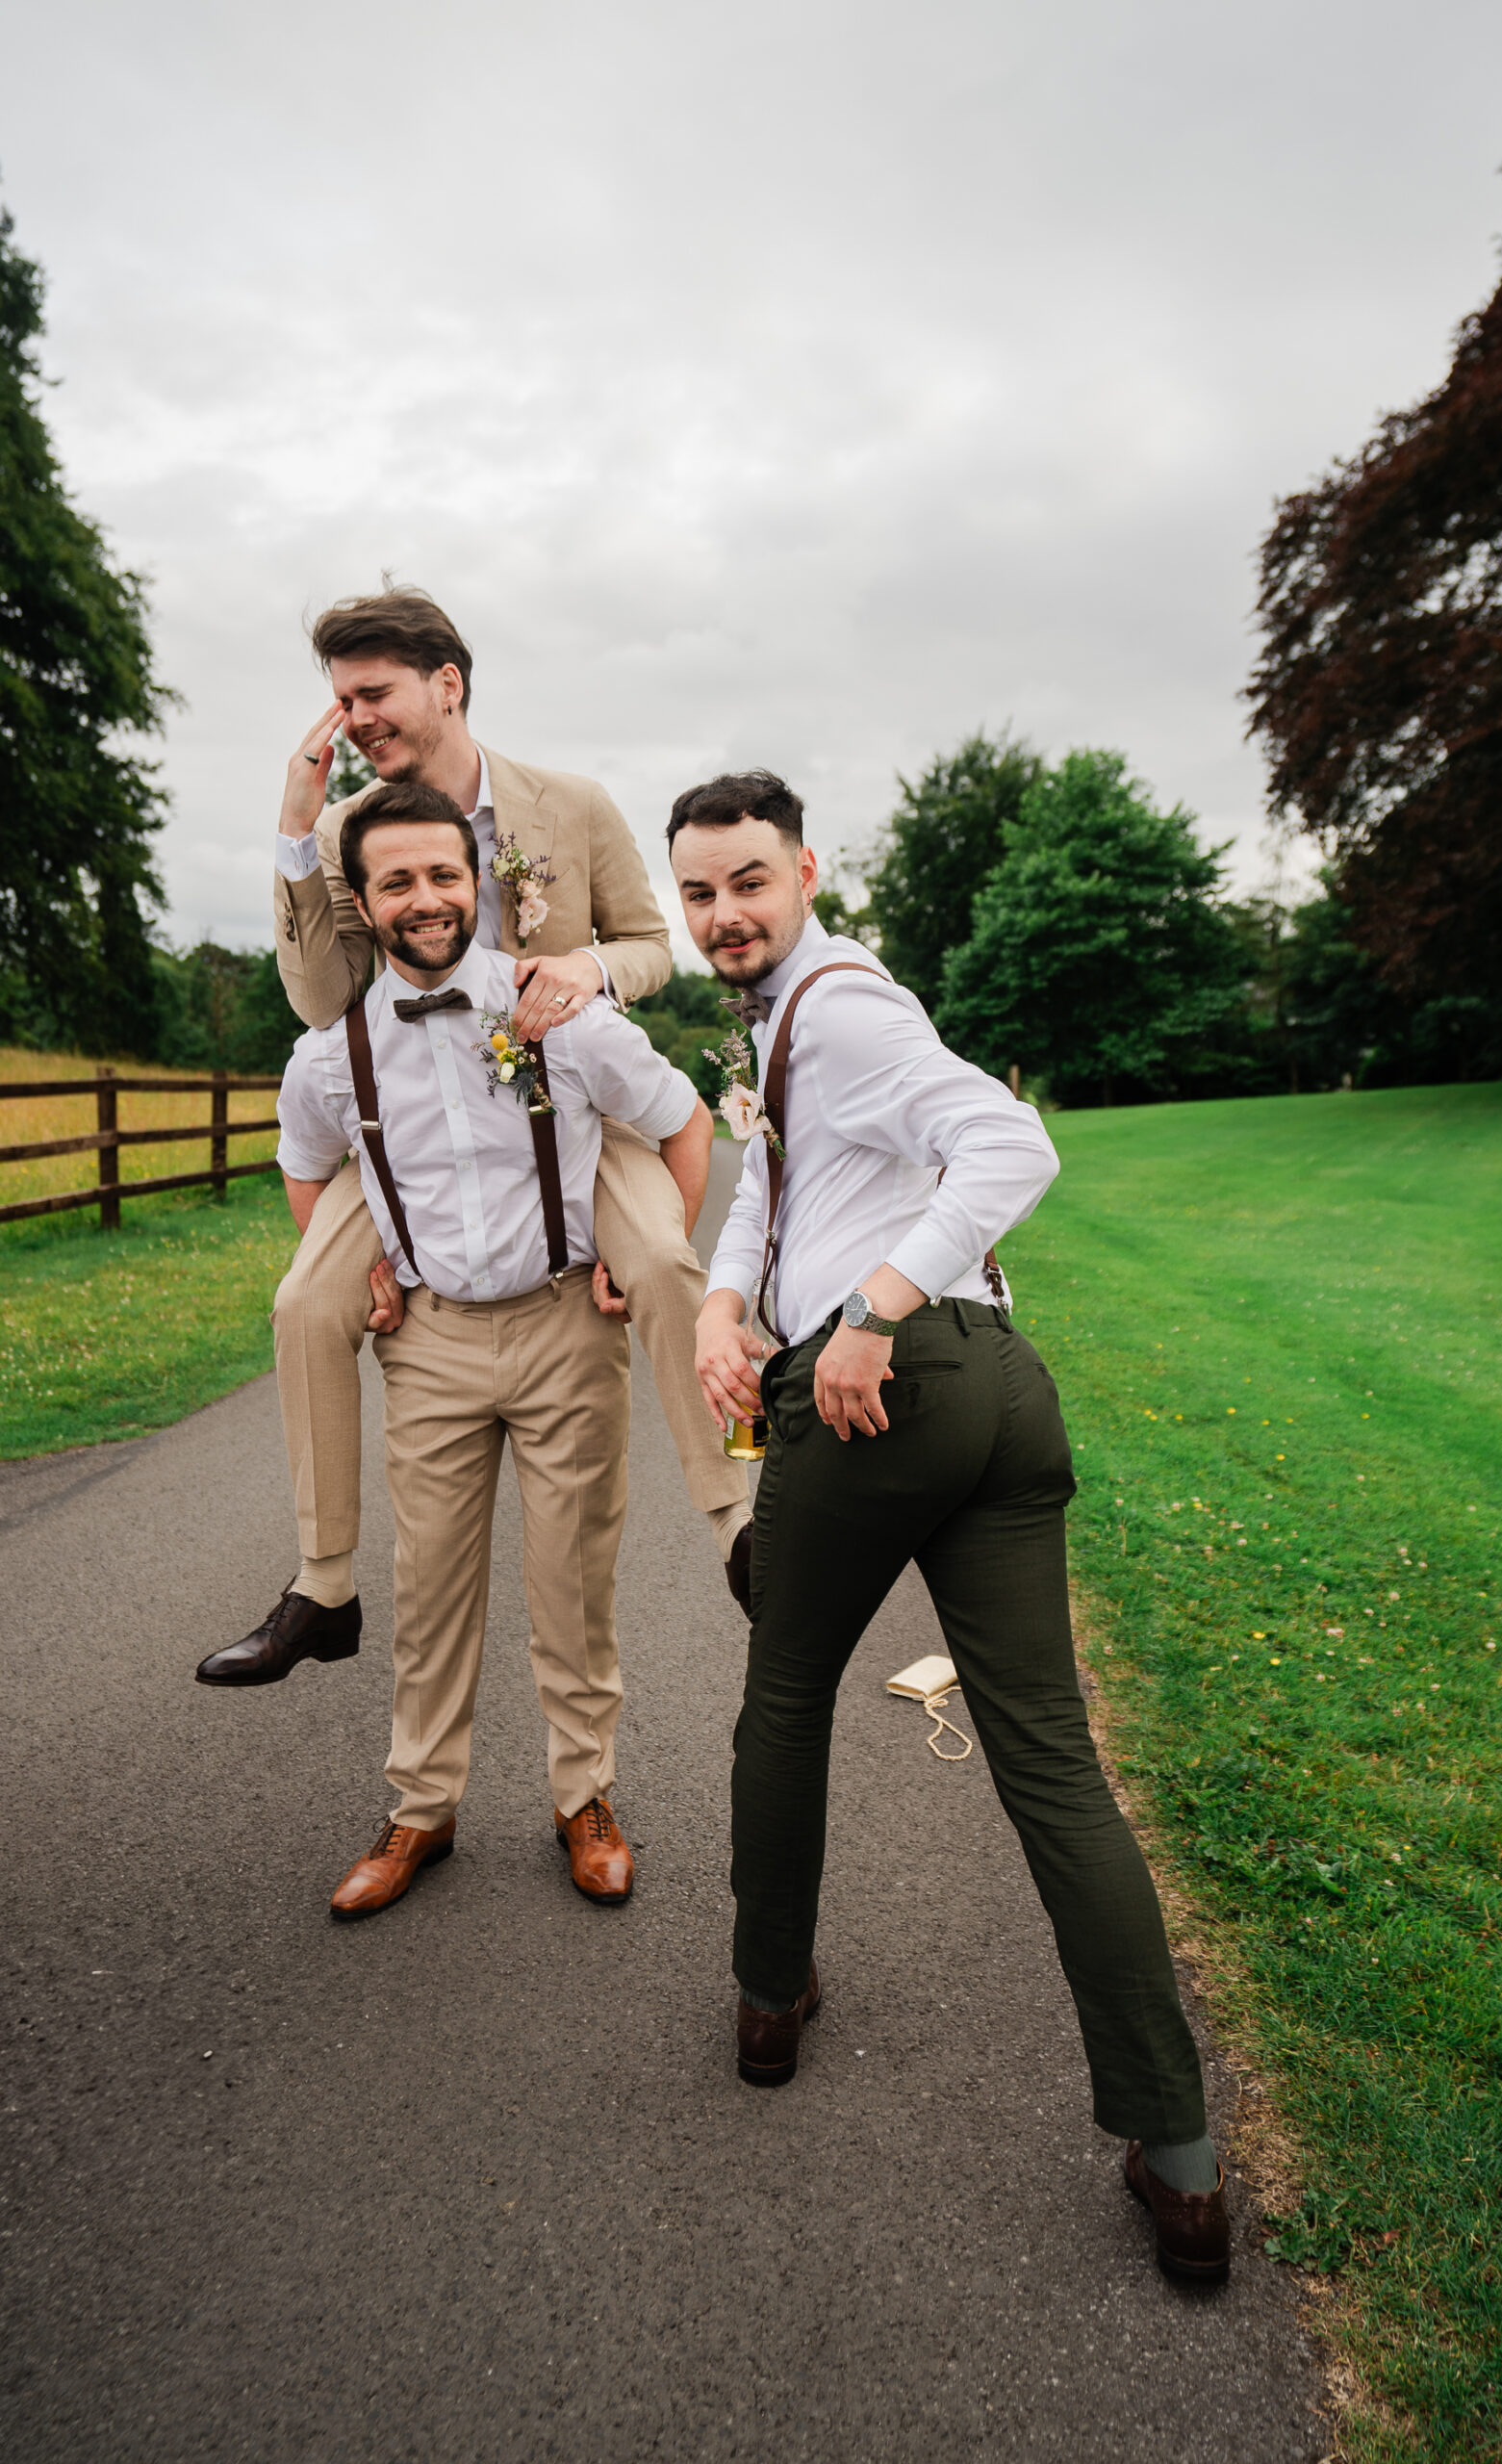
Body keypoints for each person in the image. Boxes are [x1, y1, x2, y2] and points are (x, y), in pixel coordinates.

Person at [674, 770, 1232, 2283]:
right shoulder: (790, 1022)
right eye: (698, 894)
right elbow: (772, 1194)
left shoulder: (841, 1009)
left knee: (783, 1693)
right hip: (1002, 1392)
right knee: (1047, 1759)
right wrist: (729, 1306)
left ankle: (768, 1999)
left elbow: (1013, 1147)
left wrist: (863, 1316)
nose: (722, 914)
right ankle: (1177, 2161)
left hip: (888, 1393)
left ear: (802, 873)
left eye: (746, 883)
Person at [197, 586, 750, 1691]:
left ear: (445, 684)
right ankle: (321, 1584)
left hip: (570, 1098)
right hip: (413, 1117)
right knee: (307, 1298)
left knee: (662, 1261)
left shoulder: (573, 804)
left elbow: (650, 944)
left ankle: (743, 1520)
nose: (352, 717)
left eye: (372, 692)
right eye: (339, 699)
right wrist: (298, 831)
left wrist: (589, 969)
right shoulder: (353, 828)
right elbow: (319, 1002)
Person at [273, 779, 713, 1916]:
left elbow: (681, 1120)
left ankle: (586, 1799)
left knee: (574, 1579)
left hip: (566, 1320)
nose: (425, 898)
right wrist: (362, 1269)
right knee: (431, 1590)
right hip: (432, 1343)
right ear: (364, 904)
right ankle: (422, 1809)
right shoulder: (332, 1054)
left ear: (477, 881)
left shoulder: (559, 1009)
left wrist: (636, 1245)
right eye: (398, 881)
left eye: (443, 874)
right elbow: (307, 1165)